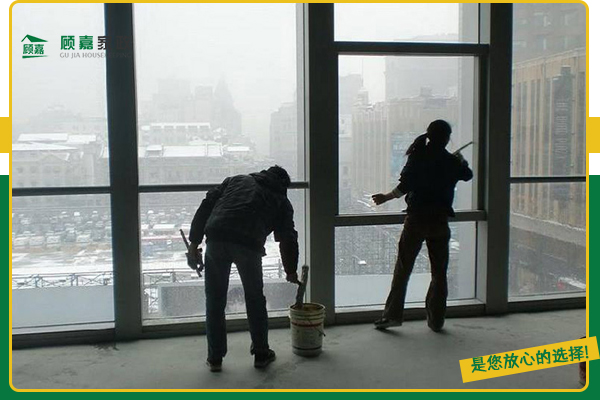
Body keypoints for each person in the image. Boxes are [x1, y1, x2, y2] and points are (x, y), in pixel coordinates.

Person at [187, 165, 300, 372]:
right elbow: (287, 238)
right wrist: (290, 270)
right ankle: (261, 354)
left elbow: (206, 206)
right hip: (249, 244)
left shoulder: (236, 180)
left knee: (215, 299)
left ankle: (215, 358)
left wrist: (194, 243)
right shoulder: (281, 201)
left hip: (217, 237)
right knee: (255, 298)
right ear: (283, 185)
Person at [371, 120, 473, 332]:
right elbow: (467, 175)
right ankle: (436, 320)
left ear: (429, 135)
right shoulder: (451, 162)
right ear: (447, 138)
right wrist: (460, 160)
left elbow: (404, 186)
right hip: (439, 222)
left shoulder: (418, 156)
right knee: (439, 273)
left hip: (416, 220)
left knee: (403, 268)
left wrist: (385, 197)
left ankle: (392, 316)